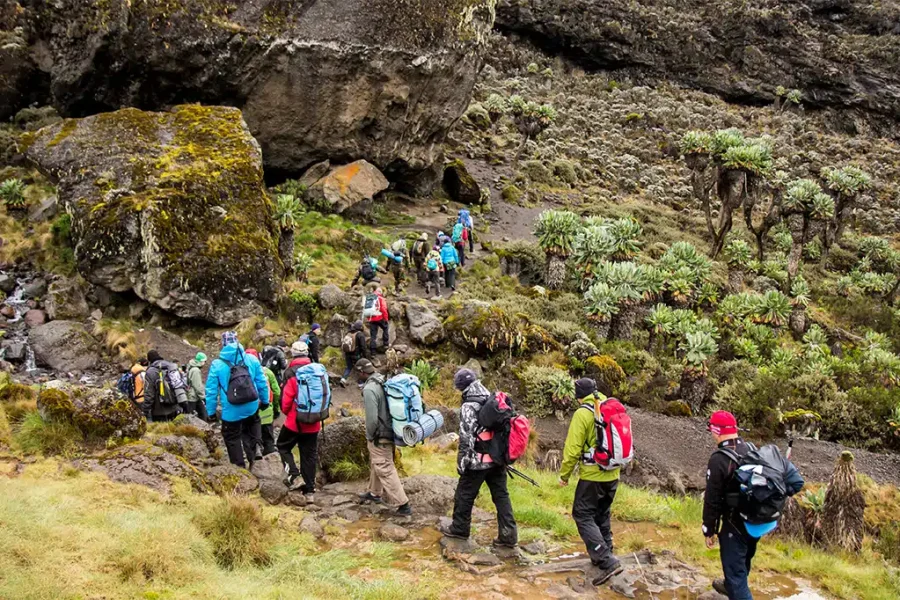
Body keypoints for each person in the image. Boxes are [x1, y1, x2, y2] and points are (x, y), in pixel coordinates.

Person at [703, 411, 804, 600]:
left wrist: (709, 529)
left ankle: (735, 588)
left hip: (736, 523)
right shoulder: (750, 448)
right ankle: (729, 586)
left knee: (735, 572)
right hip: (758, 520)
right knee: (744, 558)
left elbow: (712, 499)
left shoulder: (719, 459)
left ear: (717, 431)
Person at [441, 368, 517, 549]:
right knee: (501, 496)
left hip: (477, 462)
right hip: (497, 459)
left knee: (464, 495)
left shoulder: (468, 405)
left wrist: (461, 462)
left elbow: (466, 438)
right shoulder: (491, 398)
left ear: (461, 387)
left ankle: (459, 529)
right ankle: (508, 536)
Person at [559, 379, 622, 585]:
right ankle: (607, 551)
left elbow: (572, 449)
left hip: (592, 475)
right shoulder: (610, 407)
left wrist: (564, 475)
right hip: (613, 473)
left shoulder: (583, 413)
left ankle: (605, 560)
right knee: (602, 513)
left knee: (582, 514)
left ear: (579, 395)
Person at [205, 331, 270, 469]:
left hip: (231, 409)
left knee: (231, 437)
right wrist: (265, 401)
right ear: (237, 341)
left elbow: (211, 391)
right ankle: (256, 447)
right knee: (253, 422)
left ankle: (239, 468)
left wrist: (210, 412)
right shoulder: (251, 359)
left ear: (223, 344)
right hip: (251, 405)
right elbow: (262, 383)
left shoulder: (217, 364)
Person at [356, 358, 411, 515]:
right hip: (391, 430)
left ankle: (403, 505)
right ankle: (374, 493)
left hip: (380, 435)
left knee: (384, 466)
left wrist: (370, 435)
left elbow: (372, 419)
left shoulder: (369, 389)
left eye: (357, 373)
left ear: (361, 372)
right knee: (377, 463)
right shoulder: (382, 379)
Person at [276, 341, 321, 493]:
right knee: (309, 455)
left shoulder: (291, 373)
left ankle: (294, 476)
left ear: (293, 354)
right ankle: (310, 490)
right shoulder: (317, 370)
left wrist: (287, 412)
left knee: (283, 446)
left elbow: (286, 401)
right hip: (314, 420)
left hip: (295, 422)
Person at [246, 348, 279, 456]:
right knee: (268, 439)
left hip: (249, 410)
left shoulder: (241, 371)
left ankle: (253, 464)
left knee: (251, 437)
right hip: (266, 409)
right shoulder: (267, 372)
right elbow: (276, 392)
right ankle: (271, 465)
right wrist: (276, 409)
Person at [143, 350, 186, 422]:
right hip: (174, 407)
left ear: (149, 360)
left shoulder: (150, 372)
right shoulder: (171, 366)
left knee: (162, 432)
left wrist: (145, 410)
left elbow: (149, 393)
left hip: (159, 410)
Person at [340, 320, 369, 387]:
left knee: (349, 367)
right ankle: (361, 383)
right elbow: (363, 347)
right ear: (361, 326)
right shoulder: (360, 334)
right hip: (356, 355)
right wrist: (364, 356)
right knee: (360, 368)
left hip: (347, 354)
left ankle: (343, 379)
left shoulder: (349, 333)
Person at [364, 287, 390, 354]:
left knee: (373, 336)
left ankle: (373, 352)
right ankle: (386, 344)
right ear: (380, 292)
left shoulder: (370, 298)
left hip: (372, 319)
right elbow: (384, 309)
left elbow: (366, 309)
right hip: (379, 317)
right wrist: (386, 319)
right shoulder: (380, 298)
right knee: (385, 327)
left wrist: (369, 318)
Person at [185, 352, 209, 420]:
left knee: (199, 414)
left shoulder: (191, 367)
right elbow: (197, 386)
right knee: (201, 415)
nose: (205, 363)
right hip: (193, 397)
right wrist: (203, 397)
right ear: (201, 361)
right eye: (204, 361)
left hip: (192, 395)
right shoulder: (196, 370)